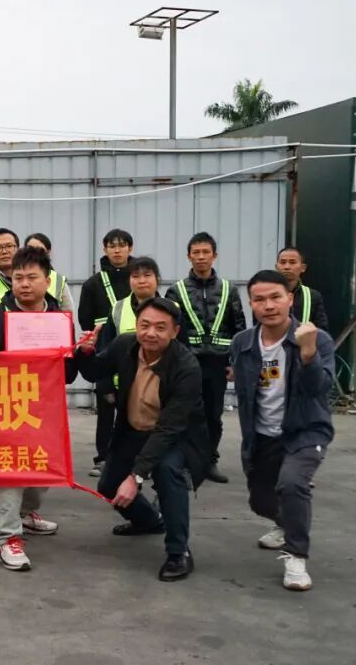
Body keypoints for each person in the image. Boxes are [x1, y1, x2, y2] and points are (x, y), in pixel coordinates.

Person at [75, 296, 210, 582]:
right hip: (132, 430)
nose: (151, 333)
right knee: (109, 485)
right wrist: (85, 352)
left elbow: (169, 429)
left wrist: (136, 476)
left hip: (175, 437)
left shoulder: (186, 367)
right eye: (144, 325)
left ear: (175, 331)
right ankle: (148, 521)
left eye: (160, 328)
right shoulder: (125, 345)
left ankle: (179, 552)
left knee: (167, 473)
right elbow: (95, 371)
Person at [0, 247, 75, 571]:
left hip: (45, 409)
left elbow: (70, 374)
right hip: (5, 407)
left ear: (48, 281)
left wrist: (81, 351)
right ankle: (7, 539)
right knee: (9, 471)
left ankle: (25, 514)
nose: (24, 284)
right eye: (18, 278)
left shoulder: (59, 319)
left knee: (41, 471)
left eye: (32, 277)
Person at [230, 270, 334, 591]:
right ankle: (285, 522)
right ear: (251, 304)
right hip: (261, 435)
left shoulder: (317, 339)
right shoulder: (243, 343)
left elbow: (319, 389)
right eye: (259, 299)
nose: (268, 305)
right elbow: (246, 391)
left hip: (305, 430)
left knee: (291, 484)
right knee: (260, 502)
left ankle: (296, 556)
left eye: (276, 297)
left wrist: (308, 353)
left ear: (290, 299)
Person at [164, 232, 246, 484]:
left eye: (205, 252)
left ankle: (209, 461)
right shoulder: (176, 290)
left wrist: (235, 364)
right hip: (187, 365)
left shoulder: (229, 290)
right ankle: (185, 462)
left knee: (213, 414)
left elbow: (239, 328)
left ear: (214, 255)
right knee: (185, 413)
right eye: (196, 253)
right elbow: (169, 330)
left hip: (217, 364)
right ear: (188, 256)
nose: (201, 257)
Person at [78, 228, 134, 477]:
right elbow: (85, 319)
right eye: (112, 246)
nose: (117, 250)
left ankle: (134, 458)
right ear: (105, 249)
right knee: (106, 406)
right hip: (104, 353)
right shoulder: (93, 284)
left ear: (130, 248)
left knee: (135, 406)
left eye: (122, 245)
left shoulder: (139, 277)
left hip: (135, 352)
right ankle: (103, 458)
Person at [273, 246, 329, 330]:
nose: (287, 267)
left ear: (303, 268)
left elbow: (322, 331)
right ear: (276, 267)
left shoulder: (313, 296)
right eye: (283, 262)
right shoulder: (265, 294)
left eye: (292, 262)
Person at [24, 232, 74, 313]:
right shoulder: (15, 277)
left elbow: (68, 313)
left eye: (40, 250)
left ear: (49, 252)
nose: (35, 254)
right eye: (30, 249)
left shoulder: (58, 281)